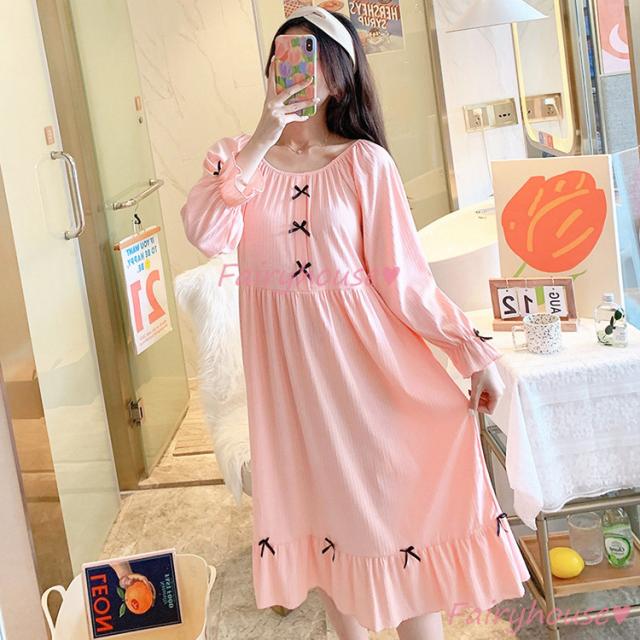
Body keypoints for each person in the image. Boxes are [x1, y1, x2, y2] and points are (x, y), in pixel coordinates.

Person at [180, 7, 530, 639]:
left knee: (399, 519)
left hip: (371, 373)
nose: (291, 70)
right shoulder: (234, 159)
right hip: (295, 390)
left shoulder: (366, 163)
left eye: (307, 57)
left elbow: (404, 280)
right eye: (281, 57)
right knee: (329, 531)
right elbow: (208, 233)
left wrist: (471, 353)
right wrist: (263, 134)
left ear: (339, 75)